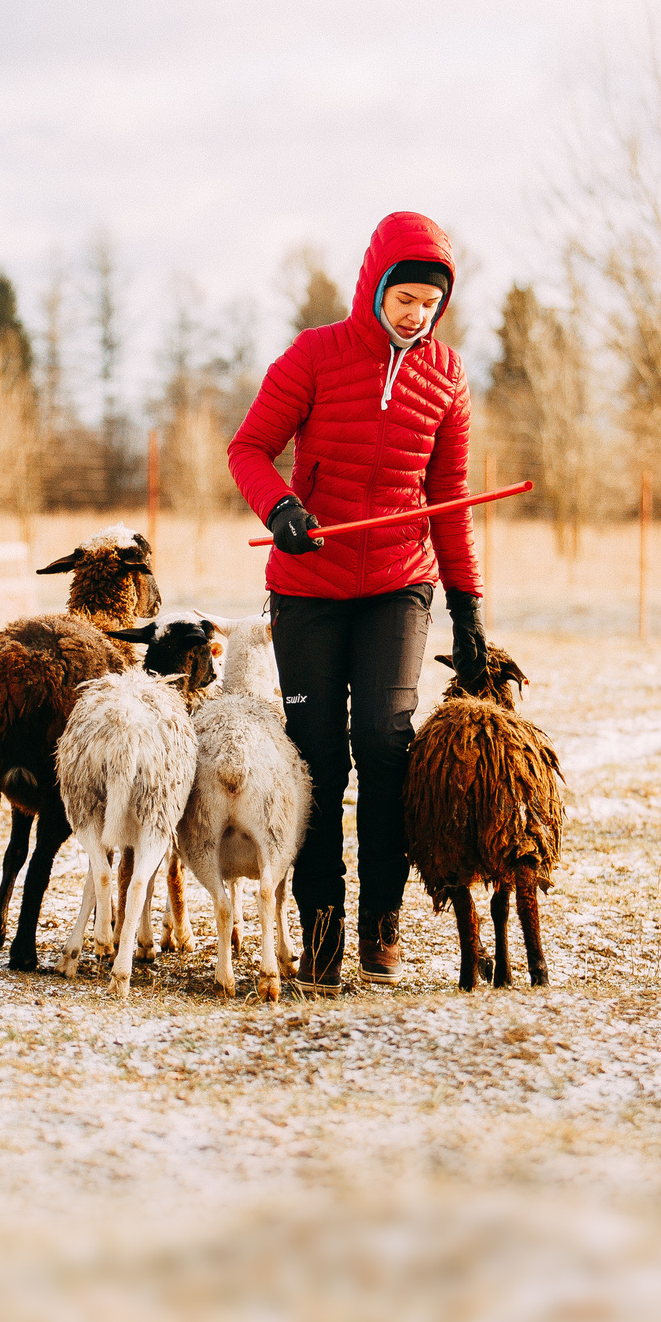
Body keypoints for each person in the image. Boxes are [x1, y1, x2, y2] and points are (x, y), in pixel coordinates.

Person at [226, 210, 487, 987]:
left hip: (398, 585)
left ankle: (381, 922)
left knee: (382, 741)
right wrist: (281, 510)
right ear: (373, 286)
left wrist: (468, 607)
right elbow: (249, 449)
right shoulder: (315, 355)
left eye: (429, 303)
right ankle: (321, 929)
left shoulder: (447, 375)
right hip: (308, 584)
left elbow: (450, 498)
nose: (416, 314)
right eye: (404, 297)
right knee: (316, 758)